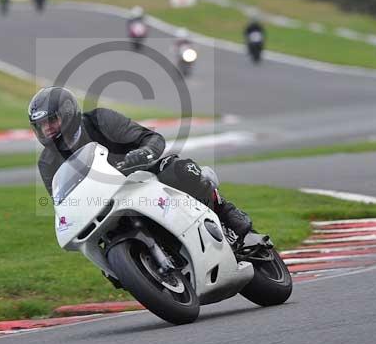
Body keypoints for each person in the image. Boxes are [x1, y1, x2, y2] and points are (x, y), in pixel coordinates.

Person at [29, 86, 255, 244]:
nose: (47, 128)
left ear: (68, 113)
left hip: (141, 177)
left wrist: (143, 152)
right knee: (96, 241)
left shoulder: (100, 121)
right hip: (103, 204)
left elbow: (151, 137)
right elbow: (61, 203)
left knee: (177, 168)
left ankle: (224, 210)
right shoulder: (47, 163)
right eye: (40, 125)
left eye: (51, 120)